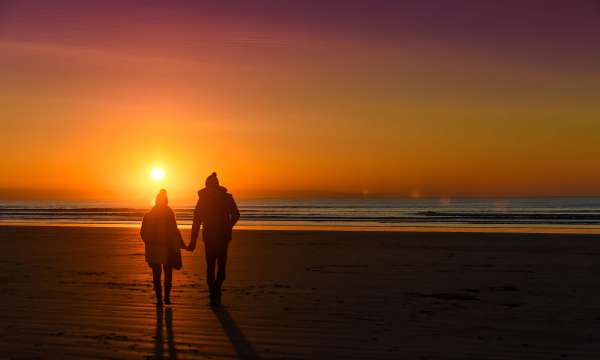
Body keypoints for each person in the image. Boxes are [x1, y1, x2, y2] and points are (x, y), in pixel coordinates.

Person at [188, 172, 240, 307]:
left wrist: (228, 226)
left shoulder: (226, 198)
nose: (212, 187)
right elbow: (196, 221)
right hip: (210, 238)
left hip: (222, 238)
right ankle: (213, 294)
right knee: (211, 267)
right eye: (211, 185)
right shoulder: (203, 200)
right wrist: (193, 240)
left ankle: (216, 292)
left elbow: (236, 214)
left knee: (221, 270)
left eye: (214, 185)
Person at [141, 189, 187, 306]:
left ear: (156, 200)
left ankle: (159, 300)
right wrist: (183, 245)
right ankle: (166, 297)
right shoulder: (169, 212)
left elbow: (142, 233)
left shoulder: (149, 214)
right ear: (166, 200)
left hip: (154, 248)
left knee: (156, 274)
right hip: (166, 247)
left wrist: (149, 243)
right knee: (167, 273)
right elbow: (174, 230)